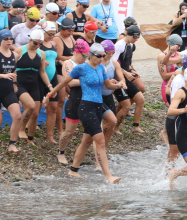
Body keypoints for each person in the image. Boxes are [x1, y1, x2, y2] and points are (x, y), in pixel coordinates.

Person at [44, 43, 123, 183]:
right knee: (100, 142)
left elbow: (107, 85)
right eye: (99, 56)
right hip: (86, 107)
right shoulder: (81, 68)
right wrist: (49, 95)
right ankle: (109, 176)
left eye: (103, 56)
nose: (101, 58)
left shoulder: (101, 68)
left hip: (98, 106)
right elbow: (63, 83)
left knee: (86, 141)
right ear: (90, 56)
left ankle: (73, 170)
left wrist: (117, 85)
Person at [0, 30, 24, 153]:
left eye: (10, 39)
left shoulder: (14, 55)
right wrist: (3, 76)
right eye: (6, 38)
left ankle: (12, 145)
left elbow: (14, 71)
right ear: (0, 40)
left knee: (17, 117)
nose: (9, 41)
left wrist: (14, 83)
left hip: (8, 90)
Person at [12, 29, 52, 143]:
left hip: (34, 85)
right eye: (35, 43)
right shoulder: (19, 50)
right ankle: (21, 129)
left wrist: (49, 86)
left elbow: (42, 72)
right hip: (20, 84)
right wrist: (13, 83)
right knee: (31, 106)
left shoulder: (41, 53)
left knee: (35, 114)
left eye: (40, 44)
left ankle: (30, 138)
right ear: (29, 40)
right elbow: (12, 69)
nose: (37, 46)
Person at [55, 39, 88, 164]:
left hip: (88, 100)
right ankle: (60, 152)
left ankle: (98, 157)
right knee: (69, 131)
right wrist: (87, 80)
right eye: (84, 55)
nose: (85, 58)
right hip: (75, 100)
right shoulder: (68, 63)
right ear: (77, 52)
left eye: (87, 56)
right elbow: (71, 82)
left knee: (95, 130)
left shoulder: (87, 62)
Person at [112, 25, 146, 133]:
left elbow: (126, 63)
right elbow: (112, 63)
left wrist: (131, 70)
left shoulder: (130, 45)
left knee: (140, 99)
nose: (136, 40)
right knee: (126, 106)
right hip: (117, 78)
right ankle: (115, 127)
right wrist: (125, 72)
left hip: (126, 77)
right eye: (134, 37)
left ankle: (135, 126)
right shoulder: (119, 45)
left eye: (137, 38)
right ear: (129, 34)